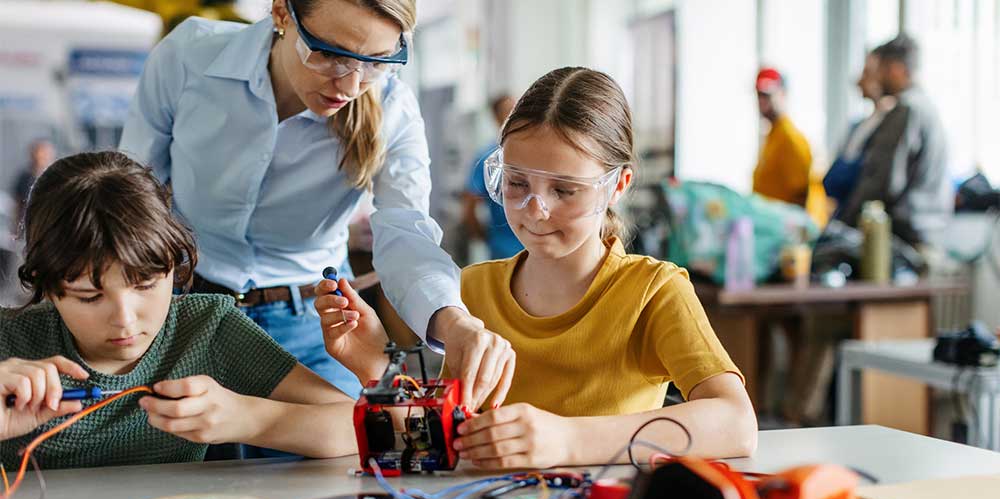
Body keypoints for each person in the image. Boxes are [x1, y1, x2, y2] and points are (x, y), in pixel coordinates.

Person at [316, 67, 758, 469]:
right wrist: (378, 372)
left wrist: (566, 440)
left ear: (617, 185)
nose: (535, 211)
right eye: (517, 183)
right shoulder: (469, 291)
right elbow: (447, 440)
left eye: (565, 190)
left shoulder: (653, 292)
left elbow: (736, 424)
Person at [118, 0, 514, 434]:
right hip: (184, 313)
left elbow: (405, 234)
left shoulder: (394, 108)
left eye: (378, 62)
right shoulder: (189, 57)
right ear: (282, 14)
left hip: (317, 326)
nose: (350, 84)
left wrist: (453, 321)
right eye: (329, 54)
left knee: (330, 475)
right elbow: (132, 194)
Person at [0, 151, 361, 468]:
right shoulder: (8, 342)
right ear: (47, 285)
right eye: (89, 297)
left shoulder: (207, 327)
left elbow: (359, 425)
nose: (124, 319)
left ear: (175, 263)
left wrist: (248, 418)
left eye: (145, 286)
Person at [838, 34, 951, 246]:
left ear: (896, 68)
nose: (877, 77)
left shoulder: (906, 110)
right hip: (931, 230)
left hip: (906, 235)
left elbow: (885, 181)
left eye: (880, 69)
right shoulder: (927, 106)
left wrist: (843, 224)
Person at [823, 52, 896, 209]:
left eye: (867, 73)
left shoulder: (891, 128)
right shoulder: (860, 125)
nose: (859, 82)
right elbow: (832, 180)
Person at [462, 94, 523, 260]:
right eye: (507, 110)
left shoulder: (534, 153)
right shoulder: (487, 158)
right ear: (496, 117)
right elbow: (469, 205)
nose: (513, 114)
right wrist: (483, 236)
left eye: (517, 108)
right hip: (503, 248)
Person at [752, 68, 813, 207]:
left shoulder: (790, 138)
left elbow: (802, 195)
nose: (761, 101)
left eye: (767, 95)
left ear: (783, 94)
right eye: (759, 95)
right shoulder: (773, 136)